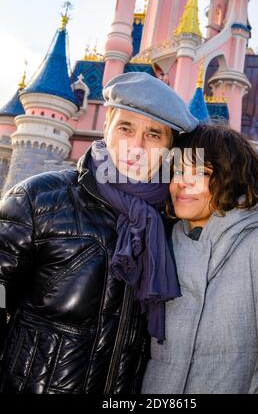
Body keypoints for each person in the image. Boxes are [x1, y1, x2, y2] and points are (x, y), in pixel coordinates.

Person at [0, 72, 198, 394]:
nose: (136, 146)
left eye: (153, 135)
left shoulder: (172, 225)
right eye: (126, 128)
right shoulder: (39, 199)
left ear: (169, 148)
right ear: (106, 125)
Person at [142, 123, 258, 394]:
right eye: (178, 170)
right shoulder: (160, 248)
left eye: (201, 173)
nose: (182, 182)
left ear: (233, 178)